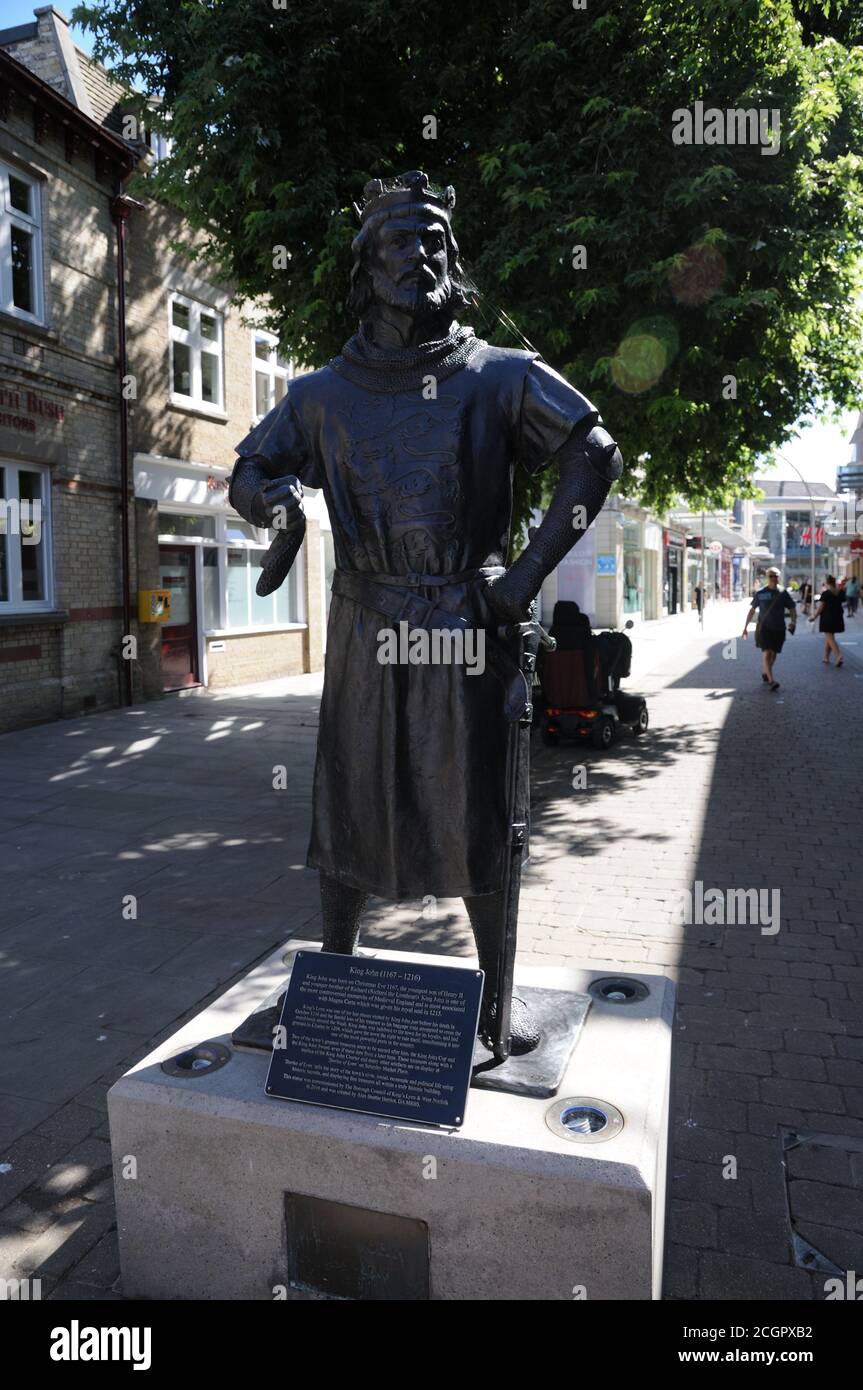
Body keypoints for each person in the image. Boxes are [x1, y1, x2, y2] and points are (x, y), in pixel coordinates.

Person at [228, 169, 622, 1054]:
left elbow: (594, 453)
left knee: (477, 804)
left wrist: (521, 579)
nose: (424, 256)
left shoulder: (499, 375)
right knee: (349, 797)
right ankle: (332, 971)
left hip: (465, 619)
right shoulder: (320, 393)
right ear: (367, 264)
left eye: (436, 239)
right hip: (366, 622)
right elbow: (249, 471)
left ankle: (495, 999)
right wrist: (283, 506)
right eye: (403, 240)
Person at [742, 566, 796, 690]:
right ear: (767, 578)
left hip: (779, 628)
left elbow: (792, 608)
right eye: (771, 576)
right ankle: (772, 681)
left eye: (775, 576)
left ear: (779, 577)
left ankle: (766, 672)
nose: (773, 578)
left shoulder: (783, 593)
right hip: (764, 629)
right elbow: (752, 610)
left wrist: (793, 622)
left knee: (774, 653)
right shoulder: (760, 593)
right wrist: (745, 627)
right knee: (766, 653)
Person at [811, 575, 845, 665]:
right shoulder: (840, 592)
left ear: (827, 583)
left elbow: (821, 607)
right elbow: (843, 601)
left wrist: (814, 616)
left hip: (827, 618)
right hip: (838, 617)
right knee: (829, 637)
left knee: (830, 637)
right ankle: (826, 657)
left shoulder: (826, 593)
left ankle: (838, 656)